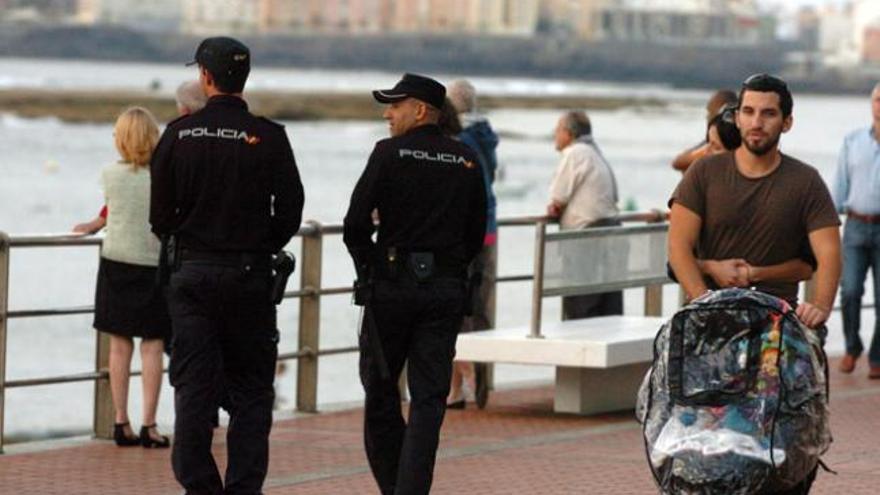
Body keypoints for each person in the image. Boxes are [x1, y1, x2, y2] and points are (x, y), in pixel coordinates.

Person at [667, 74, 841, 493]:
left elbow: (829, 255)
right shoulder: (704, 173)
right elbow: (678, 247)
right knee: (703, 449)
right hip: (712, 337)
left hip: (780, 337)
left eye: (768, 113)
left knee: (784, 450)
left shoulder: (806, 182)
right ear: (737, 117)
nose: (756, 122)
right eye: (748, 112)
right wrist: (704, 300)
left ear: (787, 122)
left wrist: (820, 305)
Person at [150, 37, 304, 494]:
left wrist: (191, 238)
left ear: (205, 77)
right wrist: (260, 244)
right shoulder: (271, 136)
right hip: (251, 278)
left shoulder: (178, 135)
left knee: (194, 391)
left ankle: (200, 485)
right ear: (244, 77)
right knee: (253, 393)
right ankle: (243, 487)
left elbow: (159, 217)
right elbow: (291, 210)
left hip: (193, 276)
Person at [343, 73, 487, 495]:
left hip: (391, 287)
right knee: (429, 400)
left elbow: (354, 225)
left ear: (421, 110)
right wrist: (449, 269)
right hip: (443, 290)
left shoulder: (387, 154)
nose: (388, 113)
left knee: (381, 389)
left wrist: (371, 266)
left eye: (395, 105)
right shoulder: (465, 159)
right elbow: (475, 235)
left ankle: (395, 487)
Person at [93, 106, 171, 448]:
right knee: (152, 348)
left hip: (116, 263)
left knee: (119, 347)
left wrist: (94, 223)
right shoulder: (164, 176)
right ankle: (149, 425)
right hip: (153, 265)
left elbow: (112, 210)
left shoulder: (110, 174)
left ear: (121, 139)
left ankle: (119, 421)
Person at [73, 80, 208, 235]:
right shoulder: (176, 149)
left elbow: (121, 199)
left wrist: (97, 222)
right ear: (155, 135)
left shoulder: (113, 173)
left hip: (175, 245)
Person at [446, 79, 499, 409]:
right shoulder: (485, 138)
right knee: (480, 309)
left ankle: (455, 388)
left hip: (461, 232)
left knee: (452, 309)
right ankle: (480, 383)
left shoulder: (457, 141)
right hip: (488, 229)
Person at [547, 110, 623, 319]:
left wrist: (554, 209)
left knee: (581, 307)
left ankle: (579, 349)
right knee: (607, 308)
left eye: (558, 129)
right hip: (610, 231)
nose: (554, 134)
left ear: (569, 133)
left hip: (586, 236)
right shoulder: (596, 152)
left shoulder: (575, 153)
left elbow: (557, 199)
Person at [832, 82, 880, 378]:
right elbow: (839, 185)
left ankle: (877, 357)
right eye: (877, 99)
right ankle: (852, 347)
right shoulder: (852, 141)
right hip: (855, 226)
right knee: (850, 290)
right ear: (871, 104)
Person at [671, 89, 739, 172]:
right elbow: (678, 162)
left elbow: (678, 163)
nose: (707, 117)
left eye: (710, 112)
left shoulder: (724, 135)